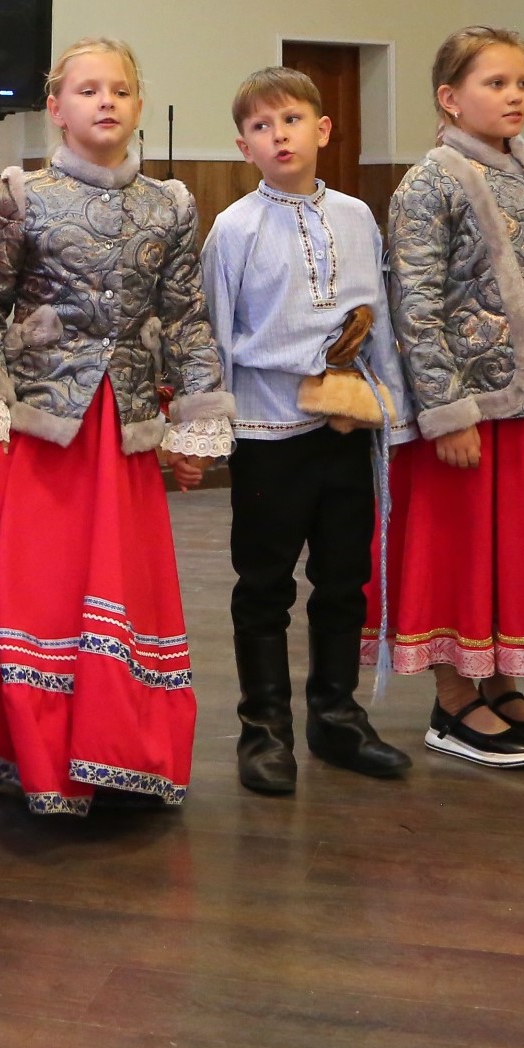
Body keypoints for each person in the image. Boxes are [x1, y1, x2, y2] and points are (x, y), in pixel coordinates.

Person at [0, 39, 227, 815]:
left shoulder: (170, 205)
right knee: (35, 588)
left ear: (138, 106)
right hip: (42, 430)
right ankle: (18, 740)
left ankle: (113, 747)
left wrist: (197, 422)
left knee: (120, 585)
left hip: (126, 429)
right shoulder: (23, 195)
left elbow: (186, 319)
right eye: (87, 90)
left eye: (119, 90)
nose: (105, 101)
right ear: (56, 108)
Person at [377, 29, 524, 770]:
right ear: (449, 98)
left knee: (517, 539)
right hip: (471, 405)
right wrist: (446, 410)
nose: (514, 96)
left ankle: (503, 682)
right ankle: (452, 696)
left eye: (522, 82)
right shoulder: (430, 182)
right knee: (462, 543)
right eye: (495, 83)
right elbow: (414, 305)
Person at [201, 66, 407, 795]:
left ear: (322, 130)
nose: (278, 136)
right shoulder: (235, 228)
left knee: (344, 578)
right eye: (261, 127)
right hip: (267, 432)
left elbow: (381, 317)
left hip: (346, 427)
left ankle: (337, 716)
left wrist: (395, 412)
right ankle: (264, 730)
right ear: (244, 146)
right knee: (264, 584)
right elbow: (215, 332)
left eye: (291, 120)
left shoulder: (356, 216)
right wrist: (211, 428)